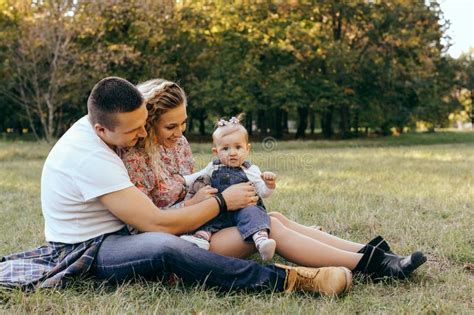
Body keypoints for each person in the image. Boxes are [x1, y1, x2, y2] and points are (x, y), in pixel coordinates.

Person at [0, 76, 352, 297]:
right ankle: (290, 281)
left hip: (121, 232)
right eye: (134, 131)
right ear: (101, 131)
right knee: (164, 246)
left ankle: (364, 257)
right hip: (89, 248)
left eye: (144, 124)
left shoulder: (108, 124)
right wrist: (221, 204)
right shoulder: (90, 158)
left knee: (262, 218)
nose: (141, 135)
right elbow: (154, 223)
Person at [121, 78, 427, 283]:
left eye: (184, 122)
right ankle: (374, 267)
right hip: (184, 244)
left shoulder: (179, 146)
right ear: (148, 122)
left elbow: (198, 182)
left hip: (206, 221)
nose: (179, 132)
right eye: (171, 126)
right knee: (272, 226)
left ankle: (376, 254)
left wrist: (210, 201)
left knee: (274, 216)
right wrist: (196, 204)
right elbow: (145, 225)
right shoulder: (133, 159)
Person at [177, 114, 277, 261]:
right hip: (220, 208)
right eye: (225, 148)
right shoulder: (213, 166)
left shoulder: (251, 169)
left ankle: (261, 240)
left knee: (254, 213)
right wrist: (182, 180)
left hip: (244, 209)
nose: (232, 153)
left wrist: (269, 184)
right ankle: (201, 238)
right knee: (206, 215)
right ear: (215, 152)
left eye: (238, 147)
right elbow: (195, 176)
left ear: (247, 149)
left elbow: (263, 192)